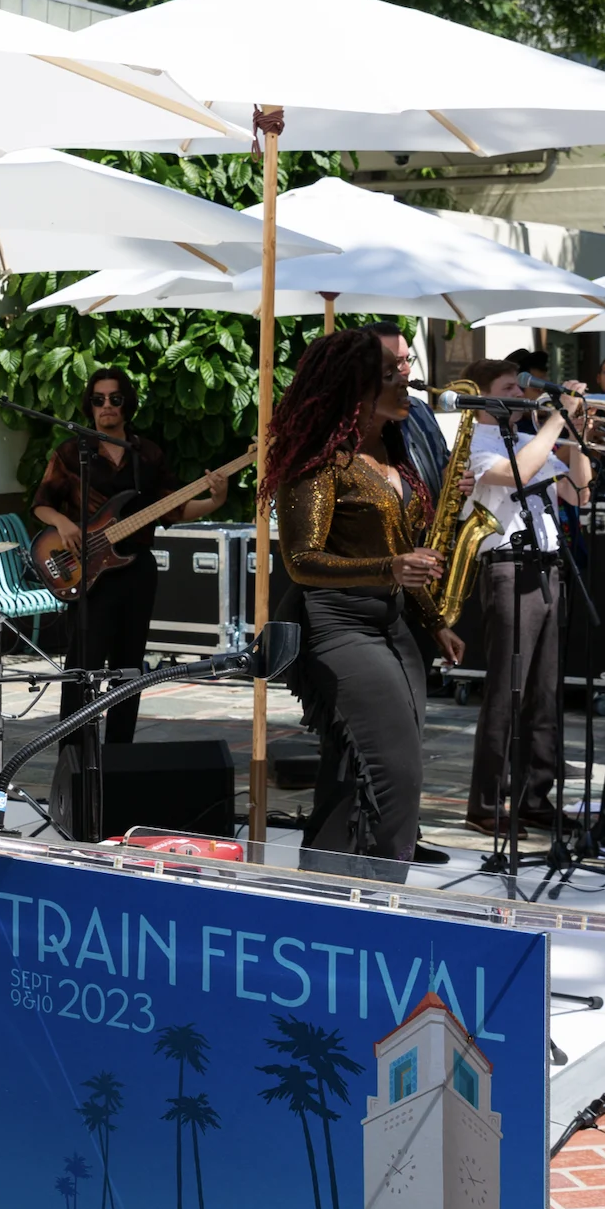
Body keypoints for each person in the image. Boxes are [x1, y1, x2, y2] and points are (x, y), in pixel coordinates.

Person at [270, 329, 466, 862]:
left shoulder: (392, 450)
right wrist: (390, 568)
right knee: (396, 774)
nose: (405, 381)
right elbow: (300, 561)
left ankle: (325, 882)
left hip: (392, 622)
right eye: (388, 375)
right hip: (337, 624)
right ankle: (380, 891)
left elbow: (401, 552)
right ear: (352, 389)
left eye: (401, 370)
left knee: (353, 769)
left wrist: (435, 622)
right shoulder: (320, 460)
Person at [31, 369, 226, 745]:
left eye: (115, 399)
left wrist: (215, 500)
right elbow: (41, 504)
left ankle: (121, 752)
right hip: (87, 571)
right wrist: (63, 523)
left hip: (136, 567)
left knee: (129, 667)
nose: (106, 406)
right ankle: (73, 754)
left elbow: (173, 510)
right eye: (99, 399)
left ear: (127, 404)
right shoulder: (72, 453)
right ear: (90, 406)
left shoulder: (147, 454)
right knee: (82, 668)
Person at [461, 358, 593, 837]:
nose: (520, 396)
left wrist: (575, 435)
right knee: (507, 690)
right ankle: (485, 804)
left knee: (545, 692)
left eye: (520, 389)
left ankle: (534, 796)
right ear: (482, 396)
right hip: (508, 568)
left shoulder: (527, 438)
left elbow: (578, 494)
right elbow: (515, 474)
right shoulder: (476, 444)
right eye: (509, 388)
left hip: (548, 566)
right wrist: (558, 418)